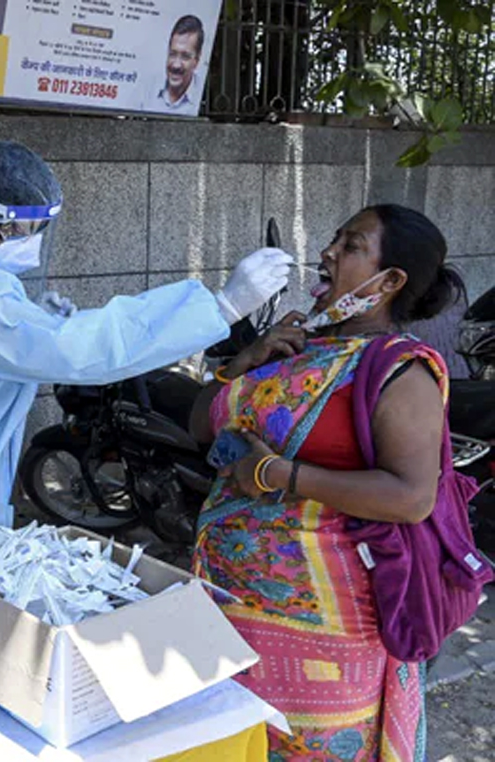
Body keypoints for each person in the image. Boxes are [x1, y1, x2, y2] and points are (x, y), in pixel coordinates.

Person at [0, 142, 293, 547]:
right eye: (19, 231)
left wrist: (28, 316)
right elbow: (72, 350)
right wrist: (219, 308)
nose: (29, 245)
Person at [190, 204, 466, 759]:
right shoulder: (296, 348)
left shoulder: (400, 370)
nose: (328, 252)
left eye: (352, 245)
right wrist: (243, 361)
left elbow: (411, 497)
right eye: (335, 239)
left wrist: (275, 473)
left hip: (322, 629)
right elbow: (201, 428)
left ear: (389, 281)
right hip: (226, 607)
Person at [145, 15, 205, 116]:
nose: (176, 65)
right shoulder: (147, 89)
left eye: (185, 56)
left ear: (197, 60)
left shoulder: (202, 96)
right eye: (172, 54)